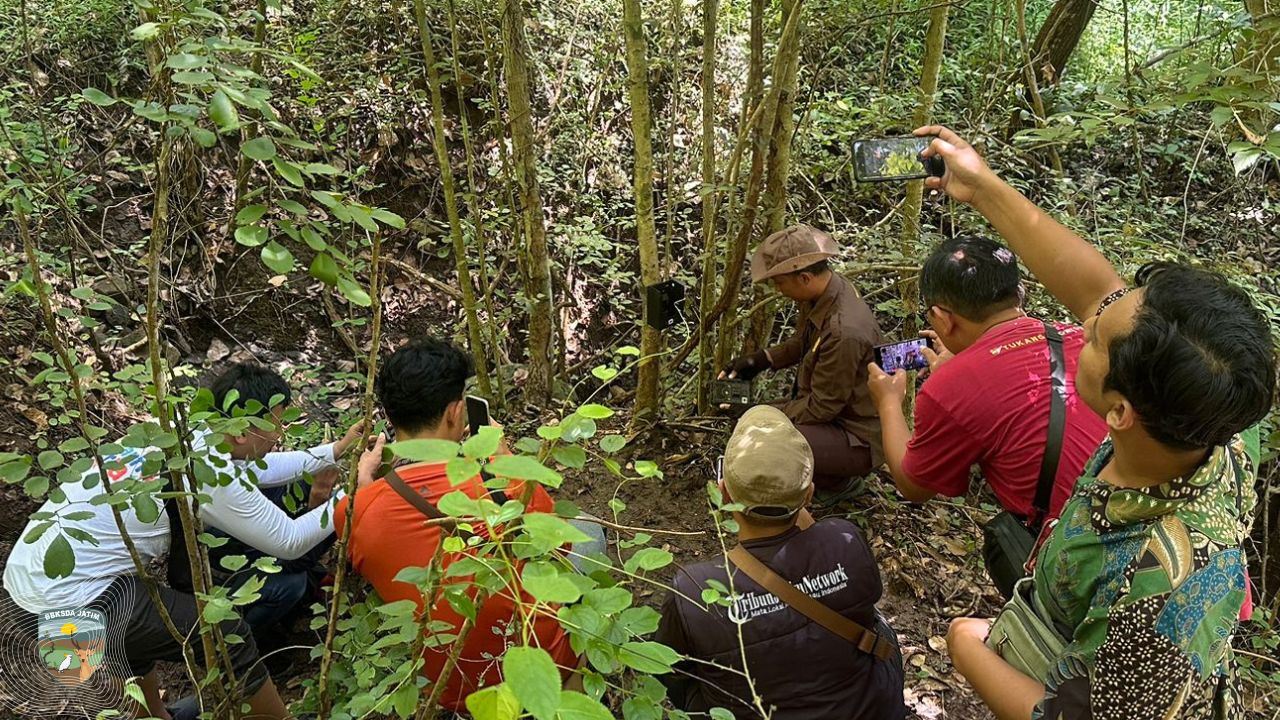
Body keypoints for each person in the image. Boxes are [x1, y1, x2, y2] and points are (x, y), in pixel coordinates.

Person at [922, 125, 1276, 719]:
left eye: (1092, 340)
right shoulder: (1220, 420)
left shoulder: (1153, 585)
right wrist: (981, 187)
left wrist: (967, 649)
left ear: (1120, 411)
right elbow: (1097, 292)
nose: (1083, 322)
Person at [1, 363, 365, 720]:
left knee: (137, 634)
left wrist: (333, 451)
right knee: (224, 632)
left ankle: (156, 714)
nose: (280, 434)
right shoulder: (208, 476)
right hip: (66, 605)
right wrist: (355, 492)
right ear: (242, 431)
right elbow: (289, 541)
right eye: (276, 424)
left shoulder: (186, 433)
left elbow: (254, 466)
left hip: (25, 590)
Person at [336, 337, 587, 713]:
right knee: (587, 531)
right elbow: (556, 548)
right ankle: (575, 689)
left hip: (445, 685)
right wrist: (504, 460)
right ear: (456, 412)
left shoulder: (352, 511)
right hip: (537, 666)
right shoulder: (508, 484)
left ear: (389, 414)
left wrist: (363, 489)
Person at [656, 405, 906, 720]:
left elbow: (670, 672)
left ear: (723, 493)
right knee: (878, 627)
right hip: (863, 710)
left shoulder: (693, 590)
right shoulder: (846, 541)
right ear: (809, 496)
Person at [866, 235, 1108, 522]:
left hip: (1075, 538)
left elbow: (913, 487)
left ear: (942, 318)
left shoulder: (951, 387)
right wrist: (963, 365)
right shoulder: (1086, 338)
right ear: (1019, 293)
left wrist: (889, 402)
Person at [723, 225, 884, 495]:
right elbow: (802, 342)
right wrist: (761, 360)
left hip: (855, 436)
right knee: (757, 421)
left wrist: (761, 415)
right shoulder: (824, 293)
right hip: (835, 420)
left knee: (762, 439)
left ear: (805, 278)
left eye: (780, 283)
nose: (778, 290)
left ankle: (836, 484)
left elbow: (822, 407)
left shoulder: (844, 331)